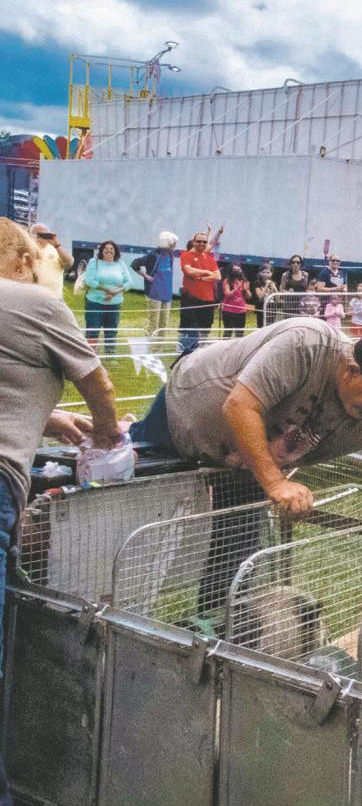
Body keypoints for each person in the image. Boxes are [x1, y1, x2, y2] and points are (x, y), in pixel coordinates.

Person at [127, 321, 362, 622]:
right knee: (132, 521)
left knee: (238, 549)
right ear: (351, 370)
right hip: (183, 415)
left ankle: (213, 635)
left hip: (246, 459)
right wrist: (275, 482)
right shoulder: (305, 345)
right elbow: (239, 405)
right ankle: (121, 620)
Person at [0, 219, 122, 804]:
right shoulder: (38, 304)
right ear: (24, 260)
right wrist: (105, 435)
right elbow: (100, 387)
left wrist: (46, 419)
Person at [76, 239, 136, 353]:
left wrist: (117, 291)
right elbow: (89, 280)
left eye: (111, 249)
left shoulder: (120, 264)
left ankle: (110, 355)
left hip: (114, 304)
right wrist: (107, 289)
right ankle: (90, 354)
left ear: (115, 251)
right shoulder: (94, 262)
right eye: (106, 248)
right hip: (95, 303)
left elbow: (129, 282)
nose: (109, 251)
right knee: (92, 331)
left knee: (111, 331)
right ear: (102, 251)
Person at [179, 228, 222, 349]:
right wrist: (207, 272)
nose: (202, 244)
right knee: (189, 327)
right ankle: (185, 350)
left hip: (208, 298)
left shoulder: (209, 258)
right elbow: (189, 270)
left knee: (206, 327)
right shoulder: (186, 255)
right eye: (199, 241)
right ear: (193, 242)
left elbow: (218, 276)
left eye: (204, 242)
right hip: (191, 298)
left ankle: (202, 350)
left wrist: (200, 277)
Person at [133, 231, 178, 339]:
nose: (175, 246)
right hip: (154, 294)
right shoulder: (153, 255)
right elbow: (135, 264)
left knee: (164, 325)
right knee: (153, 324)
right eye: (174, 243)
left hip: (167, 294)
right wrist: (145, 276)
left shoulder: (170, 256)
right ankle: (149, 345)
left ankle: (159, 347)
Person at [28, 222, 74, 298]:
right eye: (38, 235)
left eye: (44, 235)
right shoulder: (26, 250)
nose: (41, 238)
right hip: (33, 297)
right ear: (30, 236)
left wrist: (57, 246)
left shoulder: (56, 250)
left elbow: (69, 263)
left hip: (54, 297)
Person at [220, 265, 250, 338]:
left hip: (241, 311)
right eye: (235, 269)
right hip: (228, 311)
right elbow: (227, 294)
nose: (237, 271)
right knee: (228, 332)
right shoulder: (227, 281)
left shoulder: (244, 281)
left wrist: (246, 290)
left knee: (240, 333)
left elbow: (249, 296)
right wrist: (235, 290)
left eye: (238, 269)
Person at [253, 262, 278, 329]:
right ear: (260, 273)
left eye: (268, 272)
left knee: (271, 326)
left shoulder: (274, 283)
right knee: (261, 326)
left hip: (271, 307)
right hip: (261, 307)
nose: (265, 274)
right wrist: (266, 285)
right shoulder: (257, 283)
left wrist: (274, 287)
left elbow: (277, 296)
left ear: (272, 273)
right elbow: (260, 296)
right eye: (263, 272)